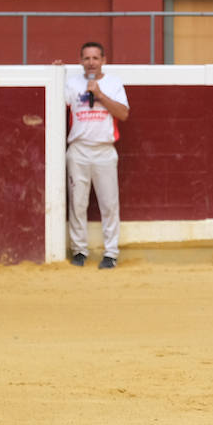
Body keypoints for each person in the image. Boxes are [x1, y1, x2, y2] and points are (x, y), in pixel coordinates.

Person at [62, 41, 130, 270]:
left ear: (104, 60)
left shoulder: (113, 84)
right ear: (80, 61)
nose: (91, 62)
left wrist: (99, 94)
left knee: (109, 204)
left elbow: (123, 113)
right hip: (79, 150)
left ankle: (111, 252)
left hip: (104, 150)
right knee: (78, 204)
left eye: (95, 58)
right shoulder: (71, 84)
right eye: (86, 58)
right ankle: (79, 250)